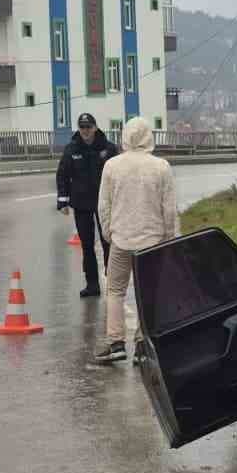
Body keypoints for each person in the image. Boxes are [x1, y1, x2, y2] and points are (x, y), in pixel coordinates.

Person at [94, 118, 178, 364]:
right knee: (149, 292)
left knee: (116, 290)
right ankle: (142, 345)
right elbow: (169, 208)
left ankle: (116, 342)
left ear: (125, 136)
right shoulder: (161, 167)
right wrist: (169, 238)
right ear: (149, 137)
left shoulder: (112, 166)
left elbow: (104, 205)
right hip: (152, 242)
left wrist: (109, 233)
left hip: (121, 240)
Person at [57, 113, 121, 297]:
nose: (85, 131)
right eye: (82, 127)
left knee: (108, 242)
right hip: (81, 203)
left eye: (88, 127)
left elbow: (118, 175)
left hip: (105, 204)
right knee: (87, 245)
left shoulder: (108, 148)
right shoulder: (72, 149)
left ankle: (112, 282)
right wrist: (63, 200)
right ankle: (92, 284)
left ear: (95, 127)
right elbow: (62, 174)